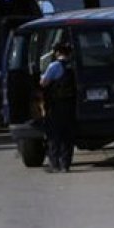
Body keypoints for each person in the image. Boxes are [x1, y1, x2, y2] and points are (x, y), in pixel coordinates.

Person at [39, 42, 77, 172]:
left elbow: (44, 83)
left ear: (57, 53)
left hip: (56, 105)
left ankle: (54, 164)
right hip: (71, 105)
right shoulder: (73, 66)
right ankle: (66, 165)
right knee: (68, 136)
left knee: (55, 135)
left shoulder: (54, 66)